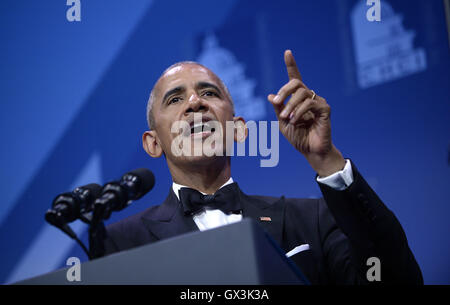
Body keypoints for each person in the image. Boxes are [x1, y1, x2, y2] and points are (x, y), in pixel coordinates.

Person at [102, 50, 423, 284]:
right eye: (174, 100)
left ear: (240, 129)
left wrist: (326, 160)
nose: (195, 103)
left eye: (209, 93)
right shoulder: (119, 244)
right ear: (153, 143)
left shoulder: (311, 220)